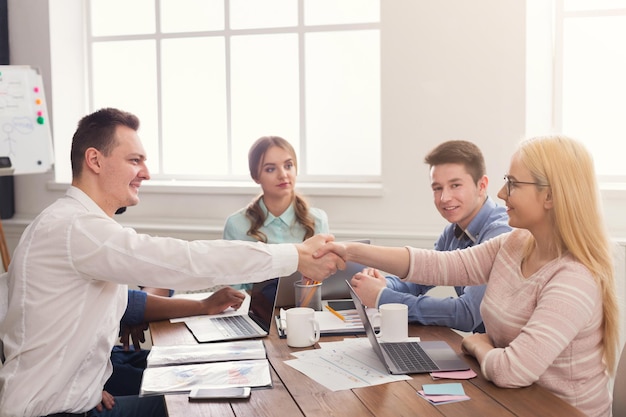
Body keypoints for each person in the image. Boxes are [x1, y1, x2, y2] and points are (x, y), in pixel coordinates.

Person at [0, 107, 342, 417]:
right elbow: (183, 260)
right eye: (135, 160)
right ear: (95, 160)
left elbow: (109, 309)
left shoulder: (78, 225)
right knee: (213, 405)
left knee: (215, 383)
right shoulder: (77, 228)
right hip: (51, 413)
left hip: (74, 401)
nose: (145, 172)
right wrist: (295, 255)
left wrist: (87, 386)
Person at [316, 135, 619, 417]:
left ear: (550, 196)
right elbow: (439, 265)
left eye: (512, 184)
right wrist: (352, 251)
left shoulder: (574, 278)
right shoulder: (514, 244)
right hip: (513, 400)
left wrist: (477, 344)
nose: (502, 194)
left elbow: (512, 370)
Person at [352, 140, 510, 333]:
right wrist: (382, 283)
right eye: (437, 188)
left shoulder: (502, 232)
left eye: (455, 185)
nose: (444, 198)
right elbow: (419, 280)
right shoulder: (452, 232)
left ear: (482, 185)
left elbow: (467, 314)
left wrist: (382, 297)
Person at [223, 135, 329, 289]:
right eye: (270, 169)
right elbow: (233, 289)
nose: (283, 175)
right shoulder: (236, 225)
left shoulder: (318, 219)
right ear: (255, 176)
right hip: (256, 311)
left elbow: (324, 281)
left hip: (306, 309)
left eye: (288, 165)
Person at [105, 286, 245, 396]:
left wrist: (139, 310)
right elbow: (125, 301)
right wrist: (204, 306)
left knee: (191, 366)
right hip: (90, 379)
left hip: (110, 355)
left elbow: (155, 276)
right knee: (183, 391)